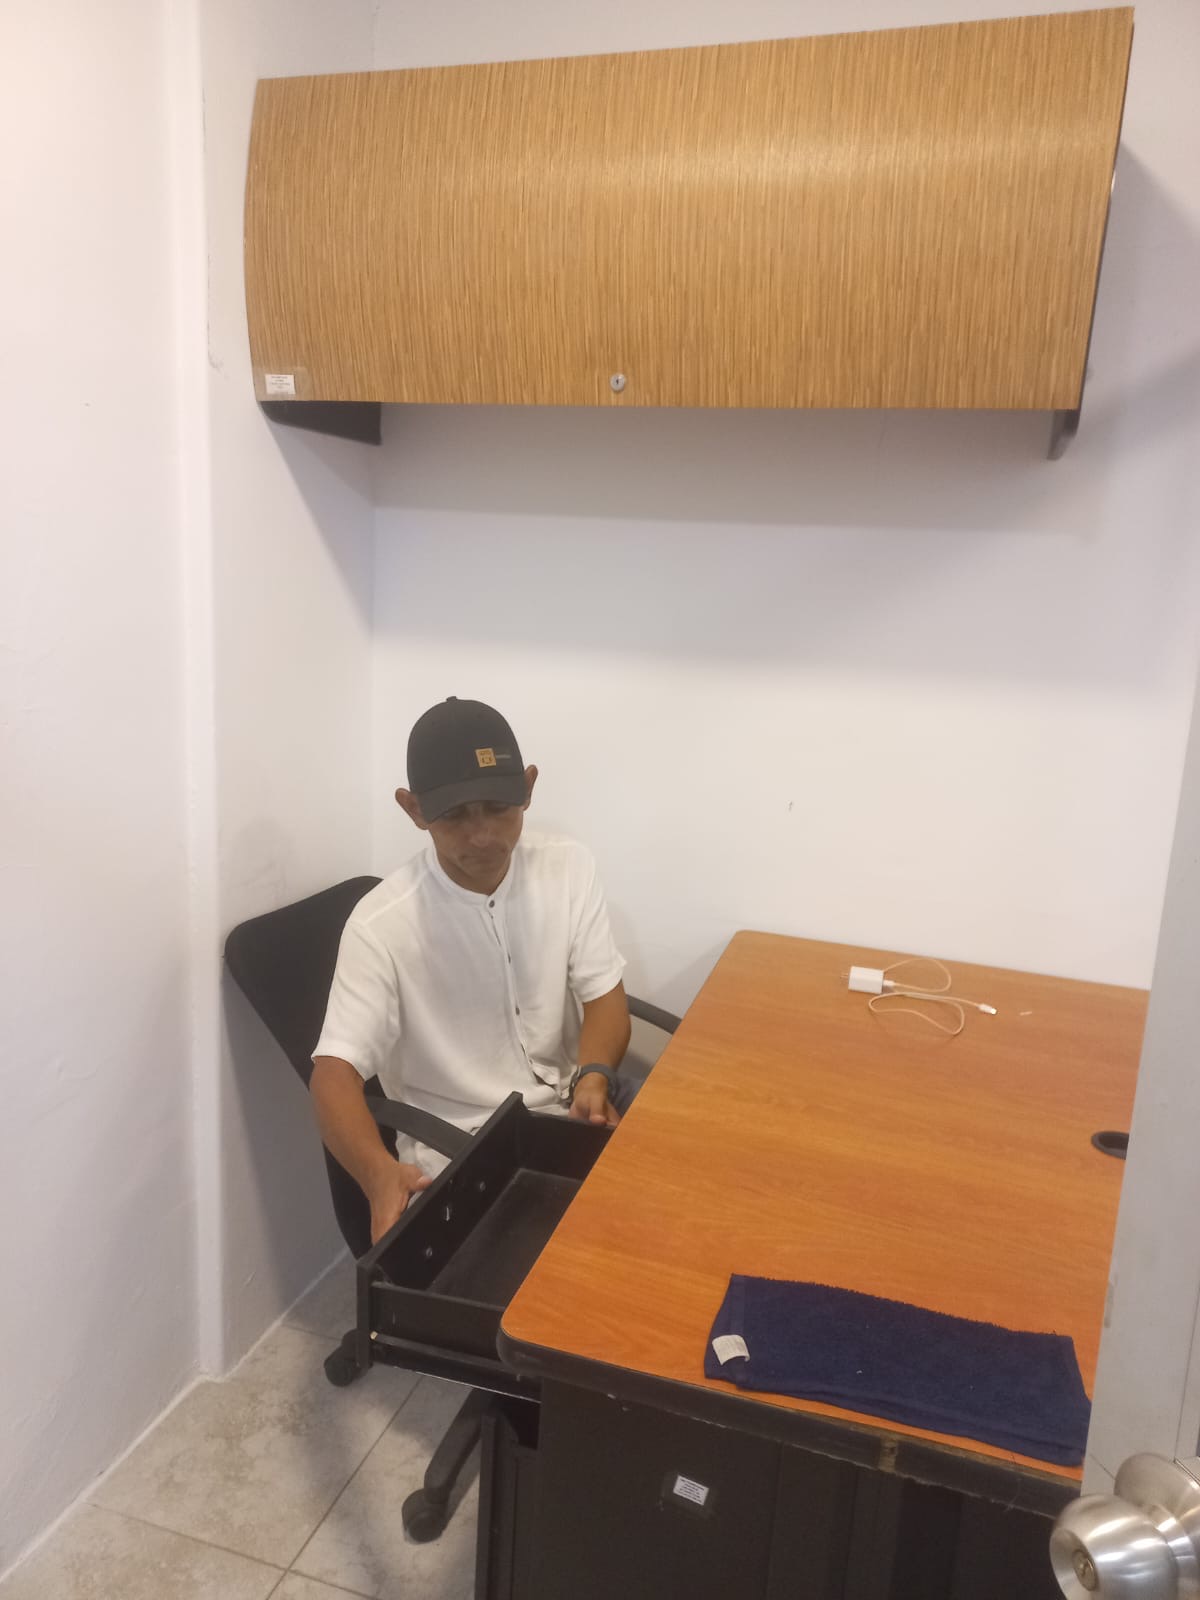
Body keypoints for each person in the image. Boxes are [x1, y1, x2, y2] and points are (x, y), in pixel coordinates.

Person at [311, 696, 632, 1245]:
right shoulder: (380, 925)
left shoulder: (568, 867)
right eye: (455, 815)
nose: (482, 835)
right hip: (458, 1151)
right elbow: (333, 1076)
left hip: (572, 1115)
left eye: (499, 808)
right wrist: (379, 1176)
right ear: (413, 809)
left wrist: (595, 1075)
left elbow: (603, 994)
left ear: (528, 788)